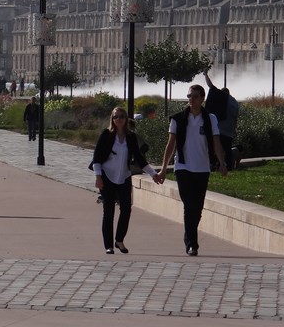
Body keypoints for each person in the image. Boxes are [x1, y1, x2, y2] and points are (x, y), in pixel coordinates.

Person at [156, 84, 228, 256]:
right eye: (189, 96)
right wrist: (164, 169)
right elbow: (170, 145)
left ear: (202, 98)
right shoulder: (178, 119)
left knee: (198, 208)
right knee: (189, 206)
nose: (192, 100)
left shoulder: (210, 119)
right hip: (183, 167)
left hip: (202, 169)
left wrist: (222, 162)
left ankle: (190, 239)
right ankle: (192, 244)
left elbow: (216, 142)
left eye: (195, 96)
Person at [92, 107, 160, 254]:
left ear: (126, 119)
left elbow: (140, 159)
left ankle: (119, 240)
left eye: (122, 117)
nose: (119, 120)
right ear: (112, 119)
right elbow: (97, 158)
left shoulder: (131, 137)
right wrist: (98, 178)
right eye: (116, 117)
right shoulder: (106, 135)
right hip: (107, 177)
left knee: (126, 209)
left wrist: (154, 174)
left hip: (124, 177)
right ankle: (108, 245)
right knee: (108, 211)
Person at [204, 71, 240, 170]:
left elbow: (211, 86)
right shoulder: (235, 102)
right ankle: (229, 165)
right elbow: (236, 117)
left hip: (219, 130)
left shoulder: (223, 98)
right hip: (229, 131)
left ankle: (212, 164)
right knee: (227, 149)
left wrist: (205, 74)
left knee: (213, 148)